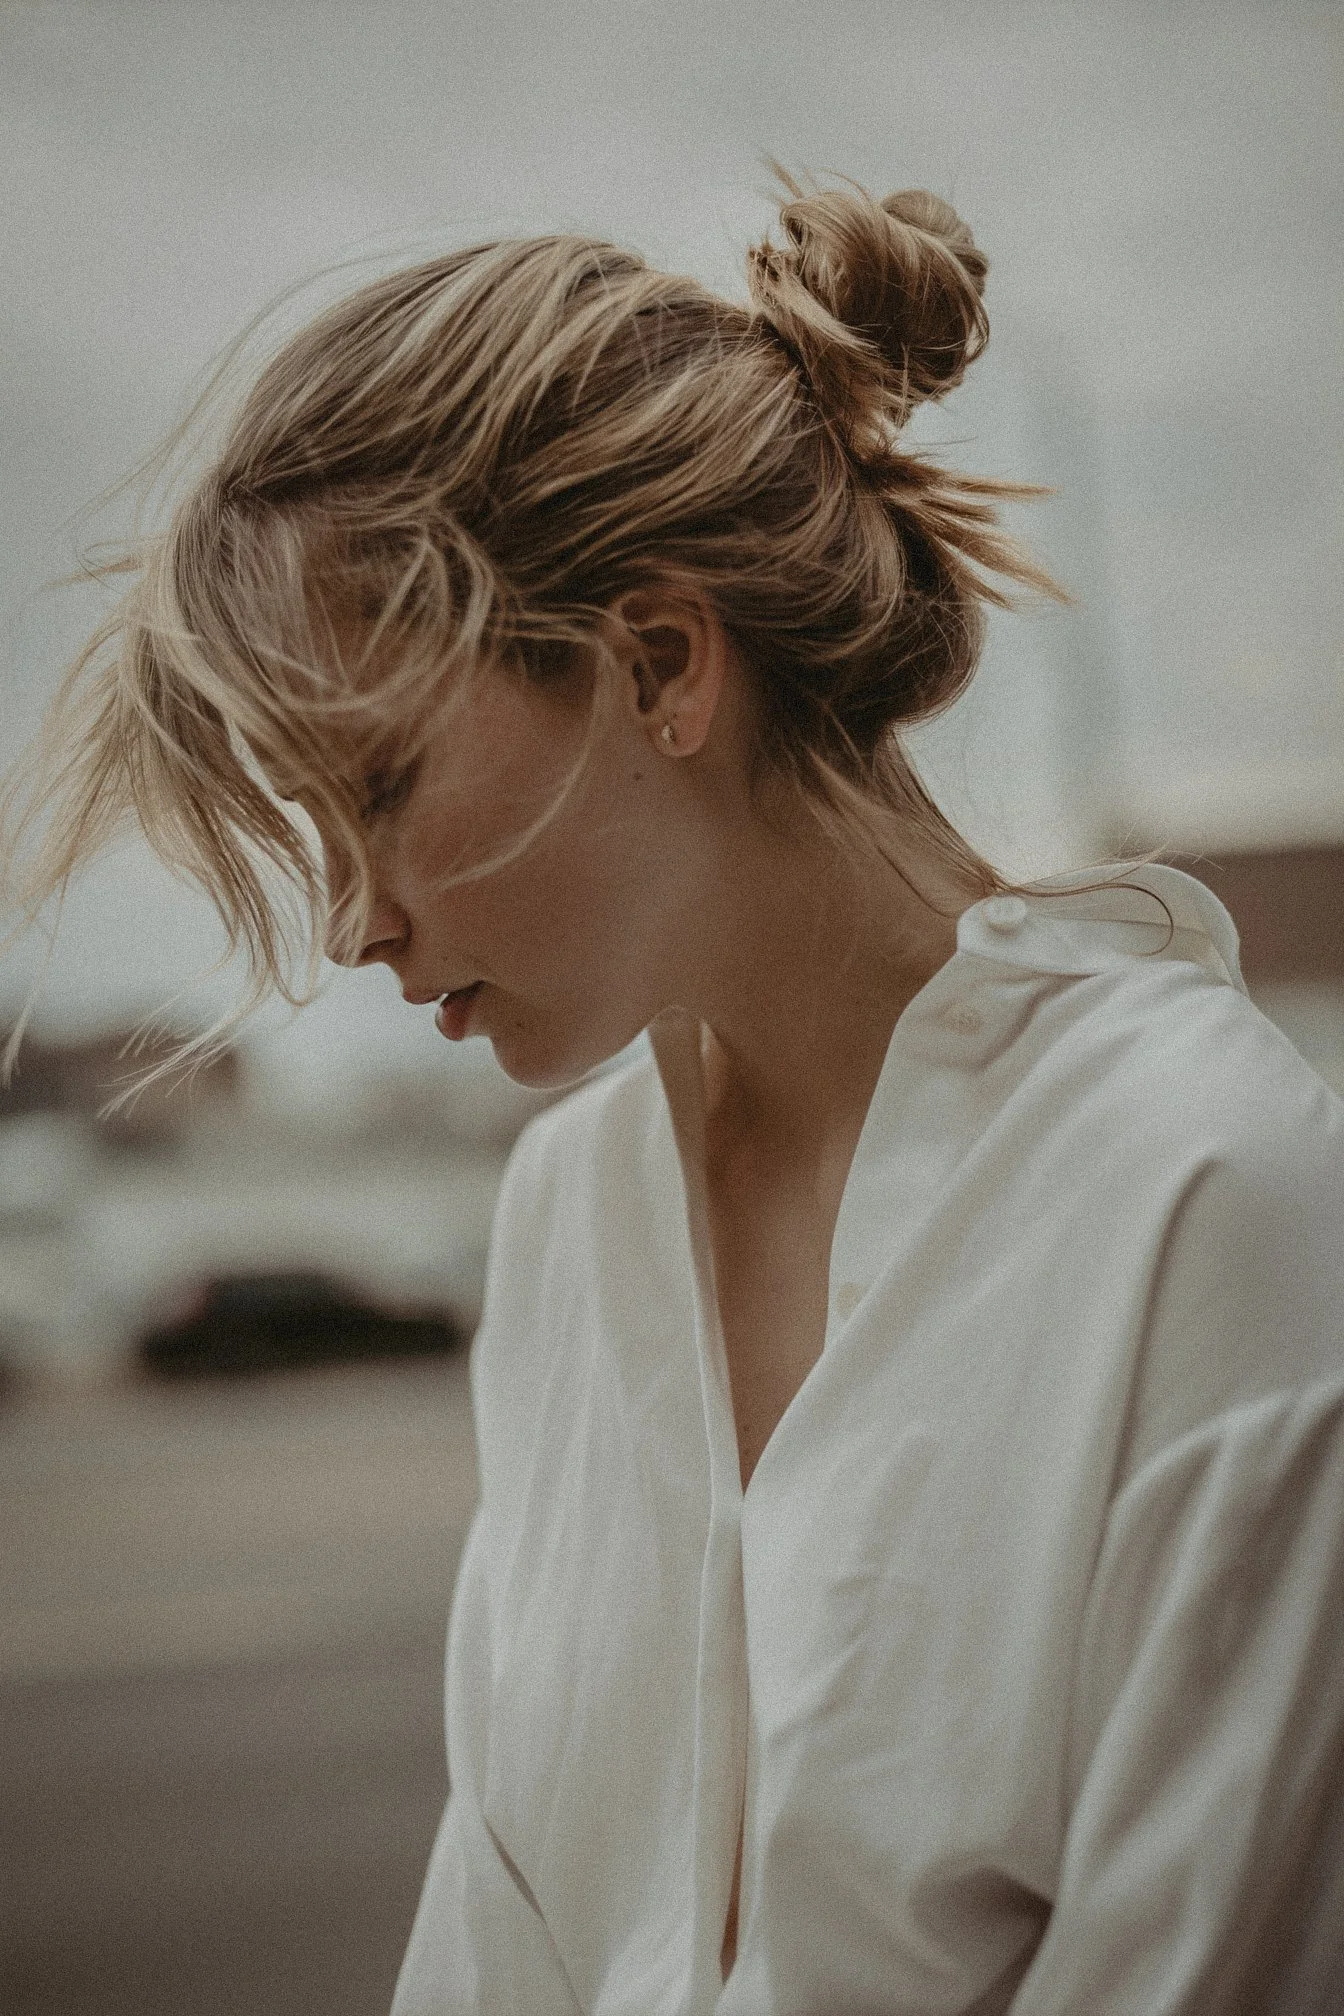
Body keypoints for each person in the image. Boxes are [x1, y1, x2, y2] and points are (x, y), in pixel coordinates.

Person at [5, 176, 1342, 2014]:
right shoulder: (568, 1224)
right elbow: (496, 1942)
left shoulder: (1211, 1199)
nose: (348, 924)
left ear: (657, 663)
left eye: (378, 789)